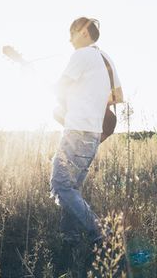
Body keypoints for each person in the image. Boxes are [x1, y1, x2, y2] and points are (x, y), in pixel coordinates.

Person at [50, 17, 123, 250]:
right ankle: (69, 237)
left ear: (82, 32)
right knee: (73, 188)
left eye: (72, 33)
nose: (69, 38)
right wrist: (93, 99)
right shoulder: (106, 58)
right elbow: (118, 97)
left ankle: (103, 232)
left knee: (60, 186)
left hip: (77, 129)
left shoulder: (81, 55)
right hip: (93, 134)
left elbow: (59, 88)